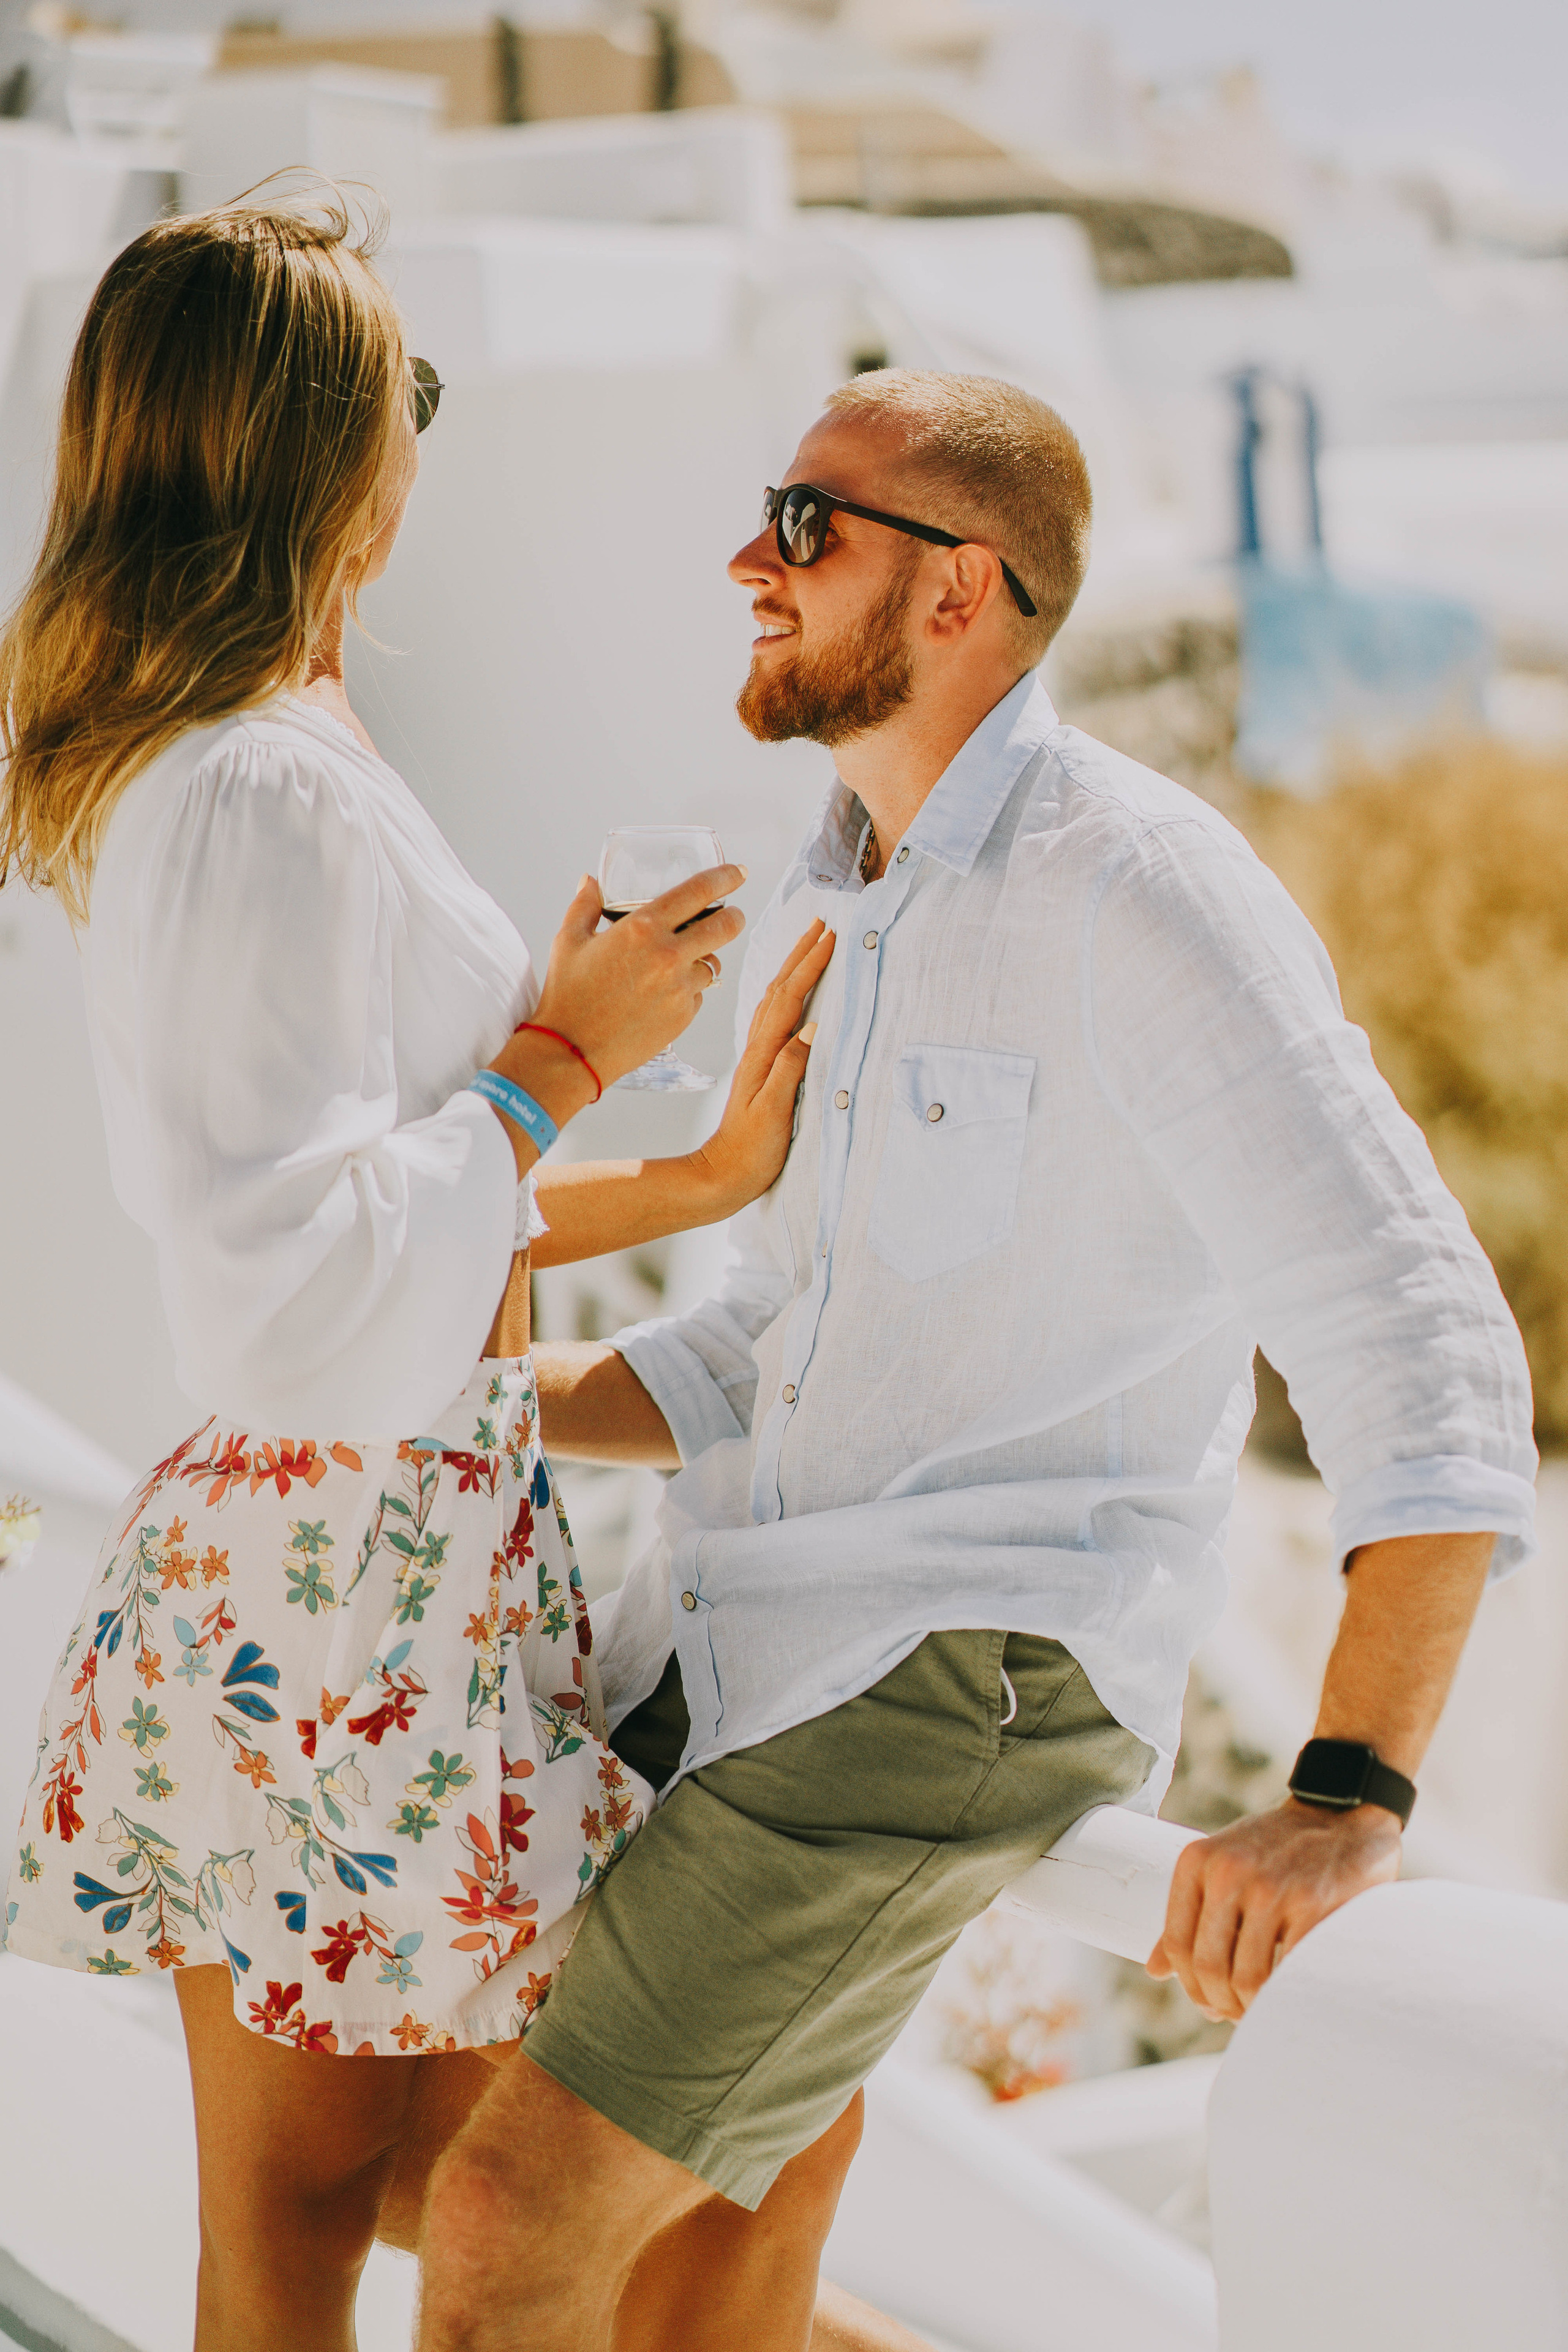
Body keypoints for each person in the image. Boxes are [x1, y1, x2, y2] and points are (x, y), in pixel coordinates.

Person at [410, 368, 1539, 2351]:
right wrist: (453, 1397)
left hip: (948, 1671)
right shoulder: (858, 875)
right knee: (689, 2266)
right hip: (736, 1626)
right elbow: (784, 1341)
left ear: (964, 593)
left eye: (806, 523)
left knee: (506, 2224)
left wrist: (1349, 1789)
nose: (748, 561)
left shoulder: (1145, 890)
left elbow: (1420, 1331)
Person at [0, 187, 937, 2352]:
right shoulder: (254, 789)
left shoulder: (252, 757)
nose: (422, 440)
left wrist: (687, 1171)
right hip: (354, 1592)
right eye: (404, 393)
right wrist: (559, 1051)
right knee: (698, 2148)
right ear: (324, 445)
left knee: (327, 2215)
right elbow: (295, 1284)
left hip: (344, 1578)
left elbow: (385, 1213)